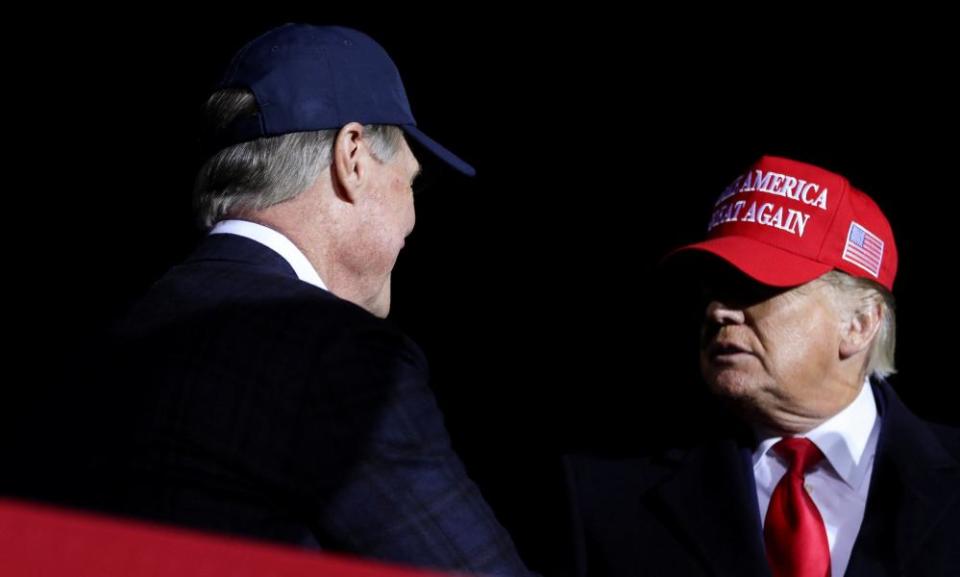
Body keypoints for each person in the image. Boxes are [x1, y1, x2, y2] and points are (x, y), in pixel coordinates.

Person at [67, 23, 532, 576]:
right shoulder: (338, 359)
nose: (412, 219)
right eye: (412, 182)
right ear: (352, 156)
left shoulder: (105, 344)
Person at [565, 155, 960, 576]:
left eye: (757, 285)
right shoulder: (606, 490)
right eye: (712, 288)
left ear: (860, 324)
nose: (718, 310)